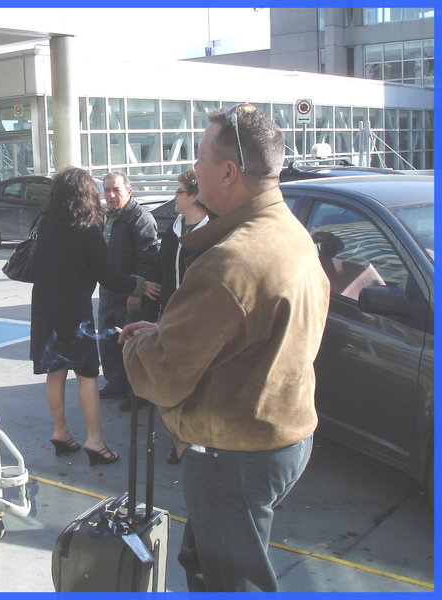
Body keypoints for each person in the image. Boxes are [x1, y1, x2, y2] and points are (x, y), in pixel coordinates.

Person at [120, 104, 330, 592]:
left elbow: (164, 374)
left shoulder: (230, 262)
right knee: (208, 561)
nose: (193, 170)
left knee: (233, 582)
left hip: (235, 453)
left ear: (229, 172)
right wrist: (167, 332)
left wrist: (134, 348)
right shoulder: (289, 231)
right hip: (281, 436)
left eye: (198, 158)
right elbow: (246, 334)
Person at [30, 167, 160, 466]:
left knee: (55, 371)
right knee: (87, 375)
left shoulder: (45, 223)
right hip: (74, 312)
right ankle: (94, 441)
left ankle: (61, 432)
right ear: (86, 194)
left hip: (44, 309)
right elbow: (107, 274)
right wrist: (139, 284)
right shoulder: (87, 229)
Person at [148, 169, 209, 464]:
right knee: (172, 383)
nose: (174, 196)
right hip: (170, 315)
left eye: (179, 192)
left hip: (199, 322)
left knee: (197, 384)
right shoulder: (175, 226)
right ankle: (180, 439)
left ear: (195, 196)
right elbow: (163, 270)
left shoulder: (212, 231)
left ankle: (194, 441)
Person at [97, 172, 158, 411]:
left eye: (116, 190)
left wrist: (136, 292)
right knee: (109, 341)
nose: (111, 195)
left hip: (131, 294)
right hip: (109, 291)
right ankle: (117, 384)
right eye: (107, 190)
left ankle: (138, 392)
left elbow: (148, 260)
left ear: (129, 192)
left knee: (132, 345)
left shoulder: (140, 218)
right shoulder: (108, 217)